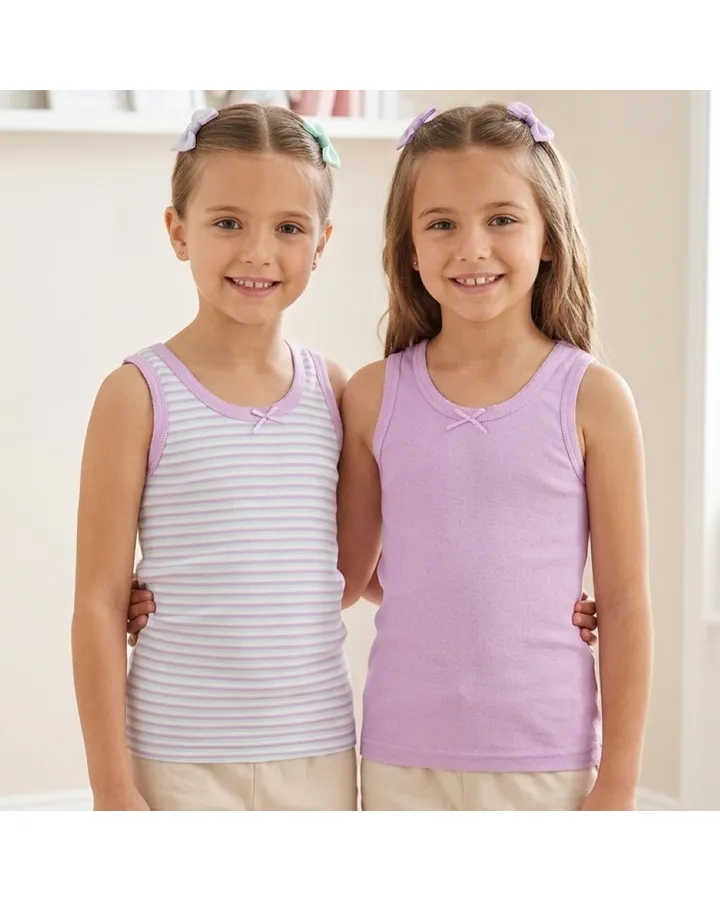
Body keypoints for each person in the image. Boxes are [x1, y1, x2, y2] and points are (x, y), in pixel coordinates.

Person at [335, 102, 652, 810]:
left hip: (548, 760)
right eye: (441, 224)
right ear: (408, 247)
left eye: (502, 219)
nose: (472, 248)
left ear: (548, 237)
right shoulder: (374, 395)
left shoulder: (594, 398)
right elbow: (348, 576)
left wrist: (619, 783)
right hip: (399, 756)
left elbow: (626, 604)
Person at [71, 103, 358, 811]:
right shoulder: (137, 394)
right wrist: (111, 787)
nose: (258, 253)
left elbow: (345, 575)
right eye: (228, 223)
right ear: (179, 231)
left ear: (321, 242)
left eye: (288, 228)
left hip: (317, 751)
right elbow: (98, 604)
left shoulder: (334, 391)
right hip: (176, 756)